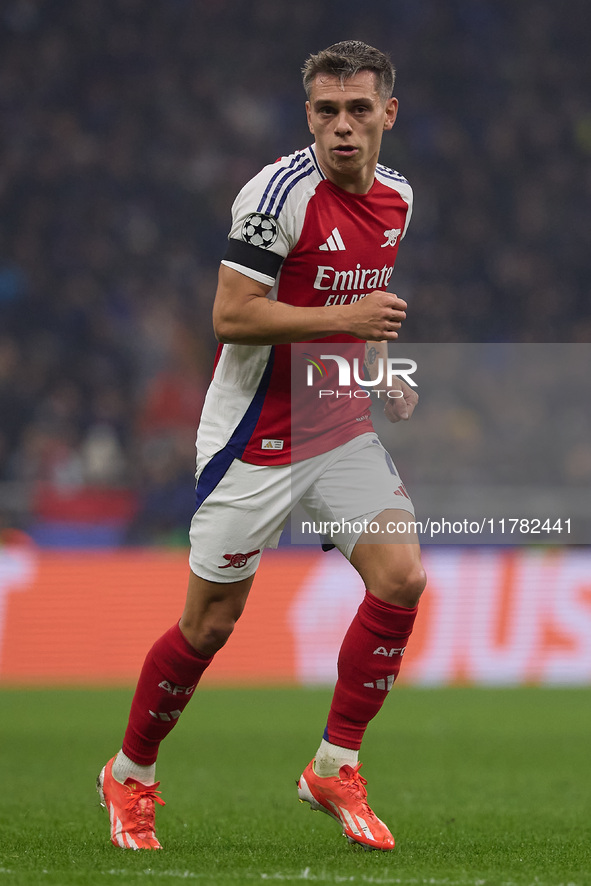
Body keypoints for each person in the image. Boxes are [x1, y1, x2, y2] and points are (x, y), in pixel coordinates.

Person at [97, 40, 426, 853]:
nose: (341, 127)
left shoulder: (397, 199)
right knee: (208, 629)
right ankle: (129, 773)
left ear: (388, 113)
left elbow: (365, 303)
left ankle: (334, 764)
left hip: (338, 424)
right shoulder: (276, 194)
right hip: (254, 435)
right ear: (306, 113)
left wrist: (380, 372)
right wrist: (344, 325)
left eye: (357, 110)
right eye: (325, 111)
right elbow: (231, 317)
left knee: (402, 576)